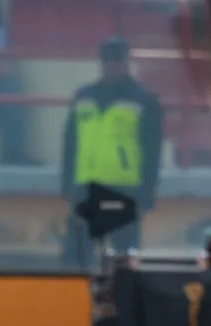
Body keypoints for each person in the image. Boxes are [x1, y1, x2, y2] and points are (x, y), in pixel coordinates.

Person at [60, 36, 162, 268]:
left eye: (117, 60)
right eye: (107, 60)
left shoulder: (144, 100)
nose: (111, 65)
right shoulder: (83, 97)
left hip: (124, 191)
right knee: (76, 262)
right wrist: (67, 185)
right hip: (85, 190)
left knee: (123, 263)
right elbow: (70, 145)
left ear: (127, 62)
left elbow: (152, 152)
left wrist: (147, 194)